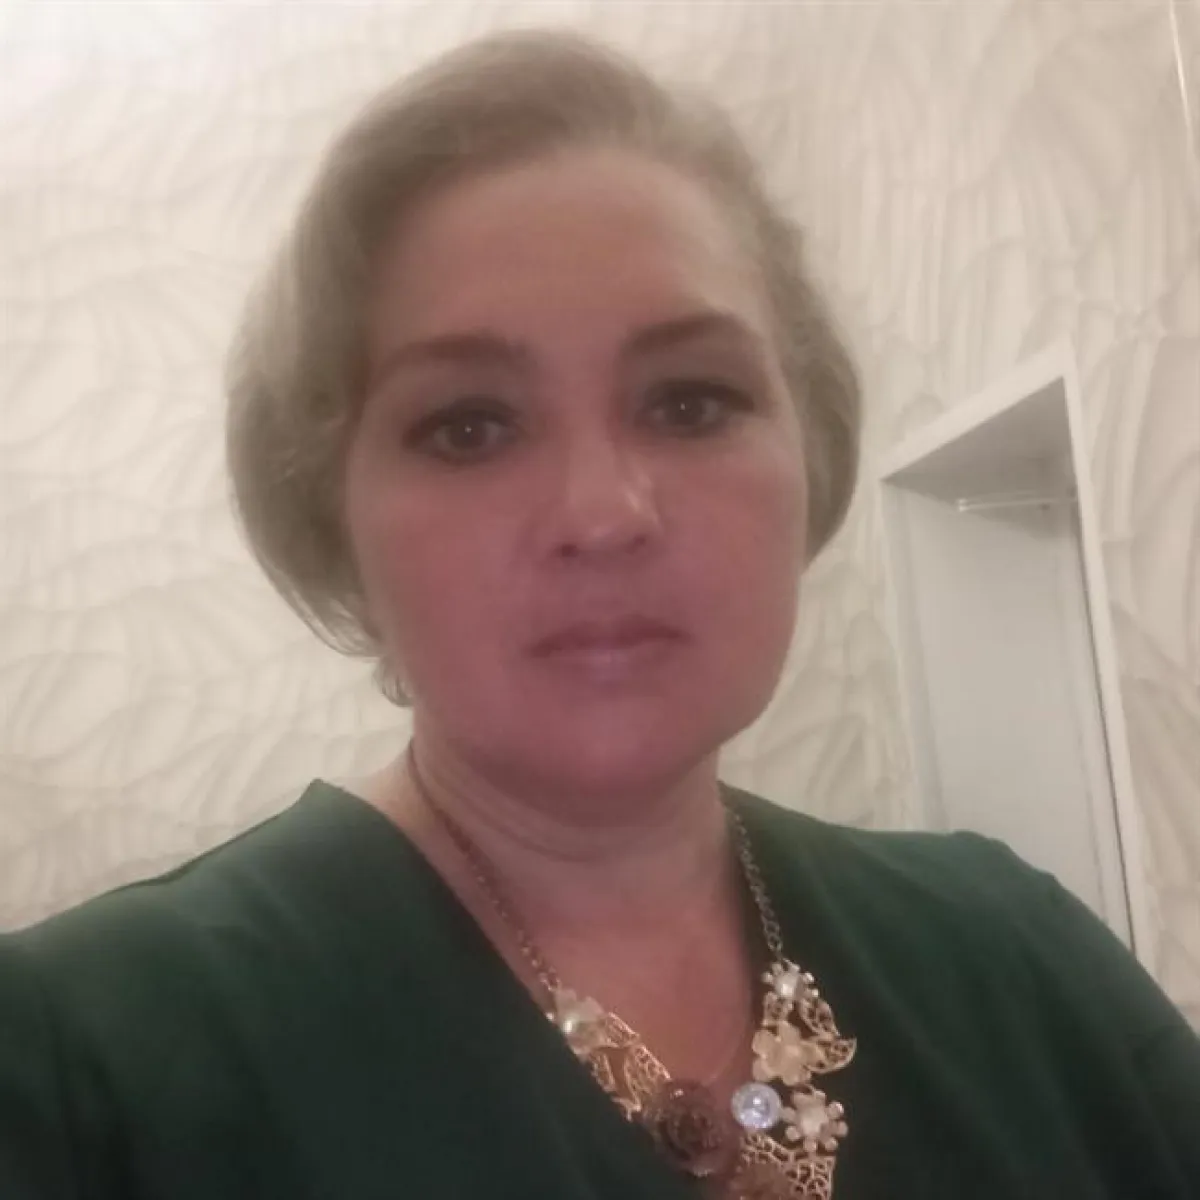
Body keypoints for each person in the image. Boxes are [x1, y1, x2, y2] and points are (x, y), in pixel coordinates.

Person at [1, 27, 1197, 1200]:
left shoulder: (1016, 956)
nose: (604, 513)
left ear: (812, 449)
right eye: (470, 425)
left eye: (689, 402)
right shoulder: (80, 1062)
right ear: (332, 514)